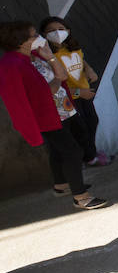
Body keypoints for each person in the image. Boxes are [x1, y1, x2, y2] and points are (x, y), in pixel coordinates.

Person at [0, 22, 108, 209]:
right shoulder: (11, 64)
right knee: (72, 151)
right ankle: (81, 197)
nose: (39, 38)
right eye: (33, 35)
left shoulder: (35, 56)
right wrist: (56, 81)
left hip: (64, 108)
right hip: (47, 115)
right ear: (20, 41)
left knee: (63, 148)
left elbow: (62, 77)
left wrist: (50, 59)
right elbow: (43, 91)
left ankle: (61, 184)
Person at [39, 16, 109, 167]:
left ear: (68, 31)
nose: (56, 33)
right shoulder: (49, 57)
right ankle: (88, 158)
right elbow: (57, 85)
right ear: (44, 35)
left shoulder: (72, 46)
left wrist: (89, 70)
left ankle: (90, 154)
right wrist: (80, 93)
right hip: (70, 97)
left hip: (84, 92)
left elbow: (81, 60)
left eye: (60, 29)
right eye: (51, 31)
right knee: (80, 128)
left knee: (92, 122)